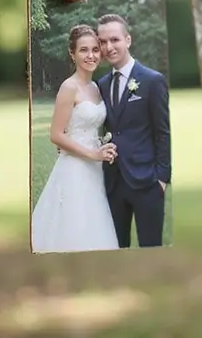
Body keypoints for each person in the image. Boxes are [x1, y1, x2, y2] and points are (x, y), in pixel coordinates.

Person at [31, 25, 120, 253]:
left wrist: (102, 148)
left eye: (94, 50)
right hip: (75, 168)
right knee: (76, 223)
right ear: (73, 54)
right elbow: (56, 134)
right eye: (83, 50)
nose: (90, 55)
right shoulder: (68, 87)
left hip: (95, 169)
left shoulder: (95, 88)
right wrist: (93, 154)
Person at [97, 14, 171, 248]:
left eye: (114, 40)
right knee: (116, 248)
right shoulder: (101, 85)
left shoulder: (152, 80)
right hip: (113, 182)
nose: (108, 47)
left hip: (147, 182)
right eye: (103, 41)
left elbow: (163, 133)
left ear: (128, 40)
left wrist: (161, 178)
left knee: (151, 247)